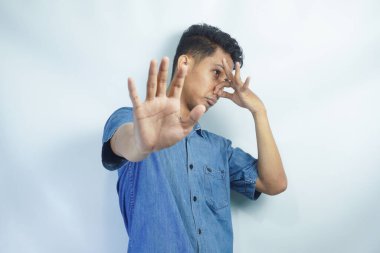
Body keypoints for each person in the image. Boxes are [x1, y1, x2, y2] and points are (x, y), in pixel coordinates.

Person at [101, 23, 287, 253]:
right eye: (216, 73)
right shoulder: (133, 122)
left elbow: (274, 183)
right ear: (185, 64)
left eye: (226, 82)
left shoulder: (219, 148)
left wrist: (259, 111)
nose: (219, 89)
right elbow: (125, 142)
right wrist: (141, 142)